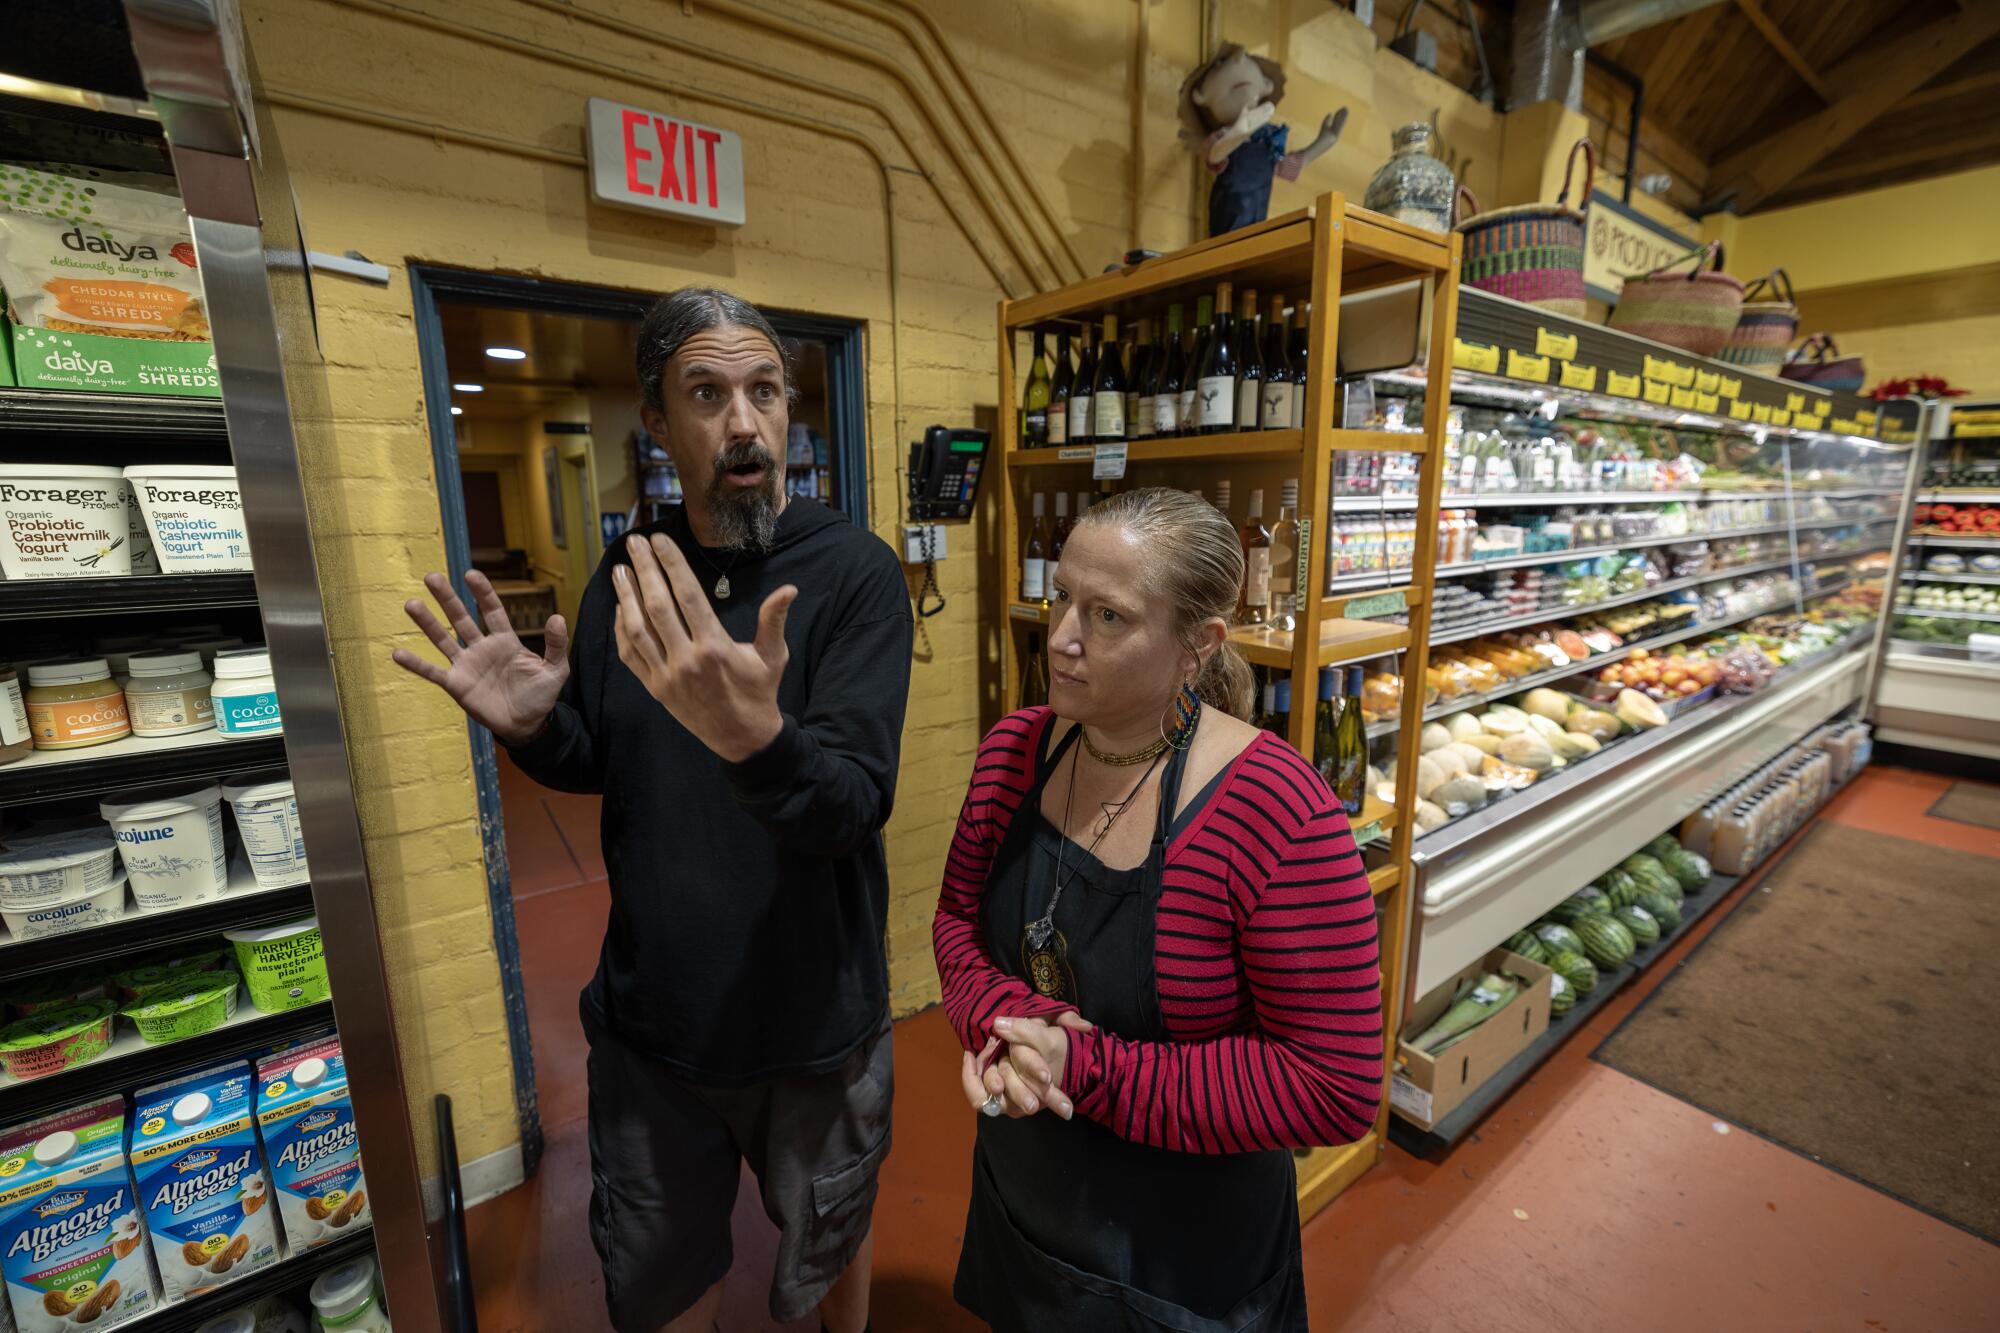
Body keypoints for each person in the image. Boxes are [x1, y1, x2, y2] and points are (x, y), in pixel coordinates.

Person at [394, 287, 911, 1333]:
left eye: (763, 391)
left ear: (788, 413)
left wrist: (756, 741)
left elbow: (851, 803)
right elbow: (604, 763)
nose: (742, 423)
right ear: (659, 424)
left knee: (830, 1233)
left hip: (812, 1019)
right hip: (655, 1025)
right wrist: (534, 727)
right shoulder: (629, 575)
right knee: (657, 1272)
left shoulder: (852, 575)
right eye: (707, 393)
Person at [933, 487, 1383, 1331]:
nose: (1062, 636)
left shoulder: (1277, 810)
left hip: (1184, 1259)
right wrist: (1007, 1025)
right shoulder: (1012, 754)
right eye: (1062, 596)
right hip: (1026, 1200)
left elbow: (1334, 1084)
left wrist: (1082, 1067)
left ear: (1197, 645)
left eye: (1107, 616)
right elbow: (957, 921)